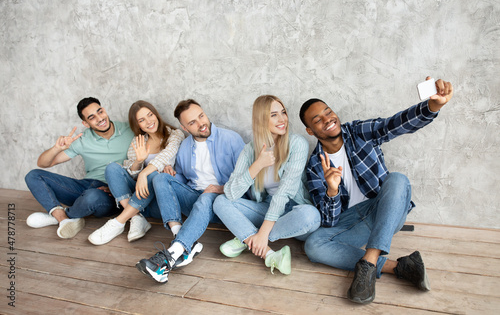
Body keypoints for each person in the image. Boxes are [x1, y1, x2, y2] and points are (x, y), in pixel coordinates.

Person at [299, 77, 454, 304]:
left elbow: (394, 124)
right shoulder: (314, 165)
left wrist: (432, 107)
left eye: (328, 111)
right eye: (317, 119)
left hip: (385, 211)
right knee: (313, 245)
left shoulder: (359, 132)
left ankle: (369, 263)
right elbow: (329, 222)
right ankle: (401, 267)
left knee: (398, 179)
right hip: (353, 222)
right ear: (310, 131)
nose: (327, 119)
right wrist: (332, 192)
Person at [136, 99, 245, 283]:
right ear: (184, 127)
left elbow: (246, 179)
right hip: (196, 200)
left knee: (207, 197)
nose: (201, 123)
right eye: (192, 122)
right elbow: (184, 180)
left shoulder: (231, 139)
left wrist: (219, 189)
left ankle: (170, 256)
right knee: (160, 178)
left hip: (223, 202)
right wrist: (172, 175)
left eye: (201, 116)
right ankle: (182, 239)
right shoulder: (185, 147)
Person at [213, 95, 321, 275]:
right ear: (261, 119)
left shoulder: (297, 143)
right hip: (266, 208)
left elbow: (285, 192)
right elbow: (231, 193)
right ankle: (270, 255)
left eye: (283, 112)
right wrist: (257, 165)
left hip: (294, 211)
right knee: (220, 201)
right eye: (274, 115)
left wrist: (262, 234)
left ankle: (246, 238)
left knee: (311, 215)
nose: (282, 119)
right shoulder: (250, 150)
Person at [25, 97, 134, 238]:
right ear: (86, 123)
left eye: (100, 112)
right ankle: (62, 218)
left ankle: (60, 216)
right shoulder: (82, 139)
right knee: (33, 175)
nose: (100, 118)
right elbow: (44, 163)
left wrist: (117, 188)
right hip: (85, 186)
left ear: (104, 110)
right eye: (92, 117)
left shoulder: (129, 130)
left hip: (110, 195)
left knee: (92, 196)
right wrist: (56, 148)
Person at [88, 100, 185, 245]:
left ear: (156, 114)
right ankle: (136, 217)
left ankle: (118, 222)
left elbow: (167, 155)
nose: (149, 121)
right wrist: (139, 162)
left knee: (154, 175)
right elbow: (129, 172)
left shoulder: (175, 134)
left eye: (150, 115)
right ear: (137, 124)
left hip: (161, 204)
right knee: (112, 168)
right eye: (142, 120)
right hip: (141, 201)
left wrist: (144, 173)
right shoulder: (138, 141)